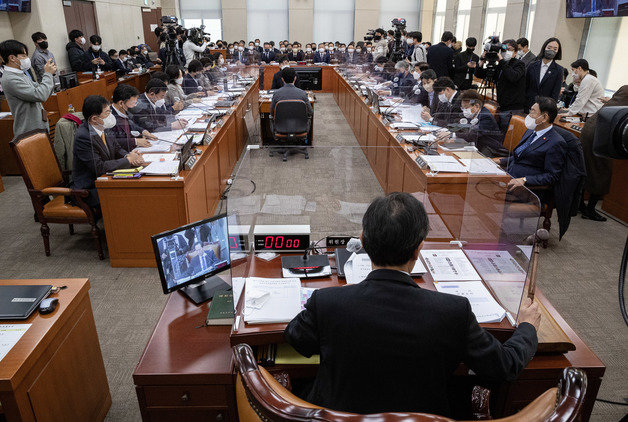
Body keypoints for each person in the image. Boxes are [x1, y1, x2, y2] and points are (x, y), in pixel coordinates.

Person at [285, 192, 540, 416]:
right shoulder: (453, 312)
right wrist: (527, 327)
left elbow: (297, 339)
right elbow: (504, 367)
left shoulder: (328, 302)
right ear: (419, 249)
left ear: (362, 240)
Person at [73, 95, 145, 206]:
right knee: (130, 196)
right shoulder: (83, 137)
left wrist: (128, 156)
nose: (110, 116)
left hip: (107, 178)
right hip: (90, 188)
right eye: (107, 113)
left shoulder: (103, 127)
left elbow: (117, 148)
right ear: (94, 118)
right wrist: (128, 161)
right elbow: (99, 167)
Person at [578, 85, 628, 221]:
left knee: (587, 168)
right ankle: (589, 210)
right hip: (602, 134)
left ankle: (580, 204)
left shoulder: (625, 88)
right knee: (602, 172)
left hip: (591, 127)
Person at [497, 97, 566, 189]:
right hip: (508, 175)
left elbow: (551, 176)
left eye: (533, 111)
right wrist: (500, 161)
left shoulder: (556, 142)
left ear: (544, 117)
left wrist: (525, 180)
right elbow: (521, 156)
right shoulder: (530, 131)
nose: (528, 115)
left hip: (524, 188)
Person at [0, 39, 56, 139]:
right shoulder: (10, 78)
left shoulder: (20, 73)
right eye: (24, 55)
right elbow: (40, 95)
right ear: (12, 58)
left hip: (38, 126)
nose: (27, 58)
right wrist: (47, 74)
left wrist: (50, 76)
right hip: (29, 130)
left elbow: (42, 90)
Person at [474, 39, 526, 113]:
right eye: (504, 50)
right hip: (501, 105)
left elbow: (513, 77)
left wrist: (501, 61)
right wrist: (482, 61)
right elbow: (479, 74)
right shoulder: (500, 66)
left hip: (513, 108)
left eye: (509, 49)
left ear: (515, 52)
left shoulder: (519, 64)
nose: (506, 52)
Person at [455, 89, 505, 156]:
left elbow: (472, 135)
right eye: (463, 108)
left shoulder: (486, 117)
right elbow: (460, 125)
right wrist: (451, 131)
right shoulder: (473, 113)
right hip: (476, 145)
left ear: (477, 106)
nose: (464, 111)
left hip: (490, 149)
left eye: (466, 108)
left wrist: (453, 135)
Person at [109, 84, 157, 151]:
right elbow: (111, 141)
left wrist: (143, 131)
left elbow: (131, 125)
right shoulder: (108, 118)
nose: (135, 106)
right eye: (133, 102)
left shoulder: (124, 110)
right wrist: (135, 141)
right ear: (121, 103)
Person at [524, 37, 564, 111]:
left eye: (555, 49)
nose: (551, 51)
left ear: (558, 52)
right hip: (528, 105)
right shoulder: (532, 65)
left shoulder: (559, 70)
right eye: (549, 47)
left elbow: (555, 94)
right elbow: (525, 86)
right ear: (544, 48)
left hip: (544, 109)